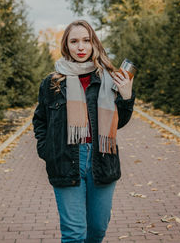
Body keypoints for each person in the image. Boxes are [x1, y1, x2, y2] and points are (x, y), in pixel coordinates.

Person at [32, 20, 135, 243]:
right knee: (74, 235)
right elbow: (40, 121)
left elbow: (119, 123)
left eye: (86, 41)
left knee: (97, 230)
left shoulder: (107, 78)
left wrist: (126, 96)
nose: (81, 47)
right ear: (66, 46)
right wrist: (47, 151)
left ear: (94, 44)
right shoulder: (52, 83)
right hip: (65, 159)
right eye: (74, 41)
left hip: (102, 159)